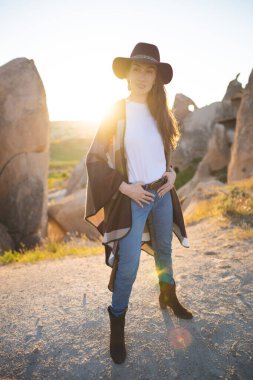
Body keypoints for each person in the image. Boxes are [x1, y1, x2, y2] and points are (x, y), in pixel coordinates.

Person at [84, 42, 193, 365]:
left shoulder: (161, 110)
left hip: (162, 193)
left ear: (157, 77)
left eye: (150, 70)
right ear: (127, 74)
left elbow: (163, 154)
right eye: (137, 69)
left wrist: (171, 175)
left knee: (165, 249)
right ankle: (117, 322)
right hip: (133, 197)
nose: (143, 76)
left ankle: (167, 294)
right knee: (128, 265)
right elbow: (93, 159)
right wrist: (125, 188)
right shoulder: (116, 112)